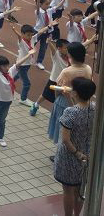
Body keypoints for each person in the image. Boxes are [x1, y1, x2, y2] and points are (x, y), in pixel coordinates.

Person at [52, 77, 96, 216]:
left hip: (69, 157)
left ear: (76, 93)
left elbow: (65, 139)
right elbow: (80, 110)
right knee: (79, 190)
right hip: (87, 154)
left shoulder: (70, 112)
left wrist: (76, 153)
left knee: (68, 190)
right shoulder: (94, 108)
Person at [0, 49, 36, 147]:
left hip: (7, 101)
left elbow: (18, 64)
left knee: (2, 120)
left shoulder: (10, 72)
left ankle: (0, 137)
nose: (7, 67)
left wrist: (28, 55)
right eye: (4, 66)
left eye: (7, 65)